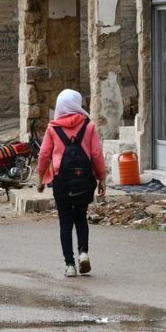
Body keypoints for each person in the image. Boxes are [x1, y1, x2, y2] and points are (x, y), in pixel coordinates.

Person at [36, 89, 107, 278]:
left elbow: (44, 155)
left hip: (62, 181)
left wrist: (41, 178)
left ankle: (69, 265)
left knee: (65, 223)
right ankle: (84, 253)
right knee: (81, 217)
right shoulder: (89, 126)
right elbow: (96, 154)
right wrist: (102, 178)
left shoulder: (52, 128)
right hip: (84, 181)